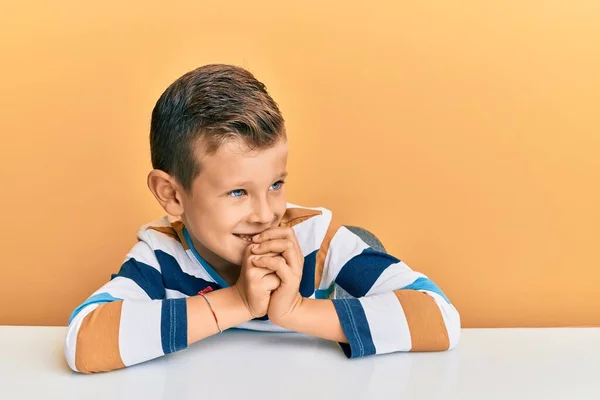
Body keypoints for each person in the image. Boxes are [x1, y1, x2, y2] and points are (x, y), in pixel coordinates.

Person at [65, 64, 460, 373]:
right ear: (172, 194)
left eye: (275, 184)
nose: (266, 213)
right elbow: (85, 343)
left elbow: (440, 318)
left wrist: (295, 311)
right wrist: (238, 302)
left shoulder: (315, 240)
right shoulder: (161, 255)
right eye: (237, 192)